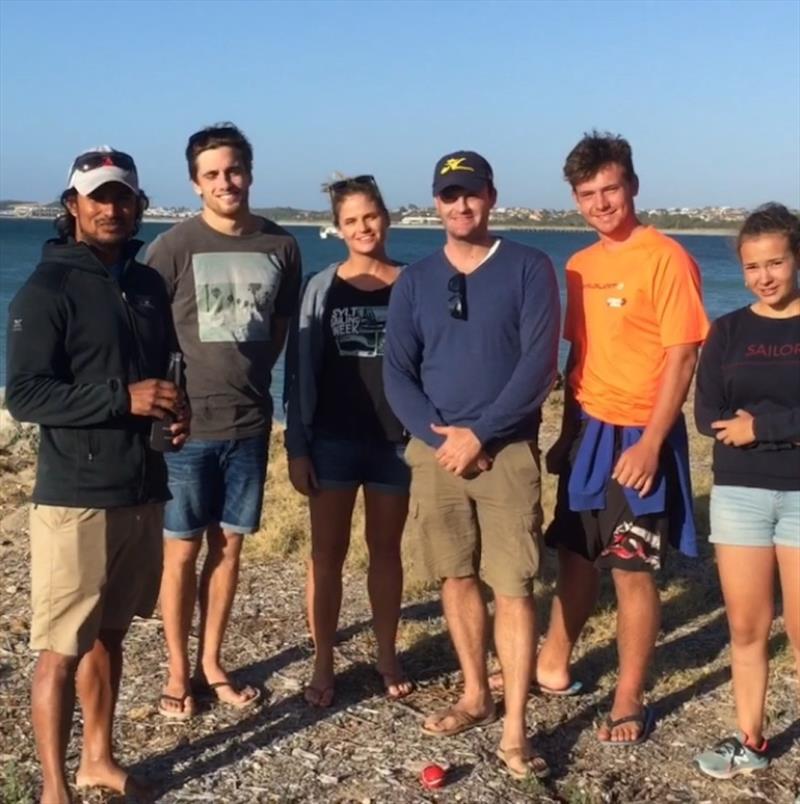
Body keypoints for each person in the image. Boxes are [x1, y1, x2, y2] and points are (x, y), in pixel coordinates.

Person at [5, 147, 188, 803]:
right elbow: (25, 395)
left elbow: (163, 369)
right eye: (98, 196)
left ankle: (98, 759)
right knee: (61, 650)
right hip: (75, 498)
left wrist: (176, 406)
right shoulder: (46, 288)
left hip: (140, 487)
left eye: (122, 197)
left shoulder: (145, 285)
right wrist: (123, 397)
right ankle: (55, 787)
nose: (111, 208)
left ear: (137, 205)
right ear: (73, 206)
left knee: (110, 636)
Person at [384, 150, 560, 780]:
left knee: (513, 585)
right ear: (436, 203)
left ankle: (515, 726)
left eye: (472, 193)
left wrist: (481, 432)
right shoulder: (416, 280)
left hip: (506, 452)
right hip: (436, 454)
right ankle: (474, 692)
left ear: (492, 196)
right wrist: (441, 439)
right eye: (449, 195)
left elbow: (538, 366)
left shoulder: (529, 268)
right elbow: (397, 372)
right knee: (455, 576)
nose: (461, 205)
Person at [539, 131, 709, 745]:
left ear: (632, 185)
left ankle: (629, 697)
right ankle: (552, 663)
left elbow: (683, 356)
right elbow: (578, 352)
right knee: (576, 554)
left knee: (631, 568)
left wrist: (651, 442)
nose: (602, 203)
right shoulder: (580, 265)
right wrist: (564, 433)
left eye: (611, 188)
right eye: (588, 194)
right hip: (588, 427)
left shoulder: (666, 257)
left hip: (641, 430)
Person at [145, 123, 302, 718]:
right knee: (181, 551)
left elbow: (279, 331)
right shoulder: (173, 247)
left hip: (250, 424)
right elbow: (146, 330)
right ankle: (177, 670)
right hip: (187, 429)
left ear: (250, 172)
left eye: (233, 170)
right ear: (195, 183)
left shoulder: (281, 246)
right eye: (211, 174)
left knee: (229, 549)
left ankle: (212, 661)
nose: (224, 182)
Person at [284, 175, 412, 707]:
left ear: (386, 216)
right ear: (337, 229)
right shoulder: (321, 285)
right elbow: (298, 369)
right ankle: (323, 661)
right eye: (351, 221)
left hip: (395, 442)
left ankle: (386, 654)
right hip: (331, 439)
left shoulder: (412, 282)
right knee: (325, 556)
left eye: (370, 216)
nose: (363, 228)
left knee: (385, 552)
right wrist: (297, 445)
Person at [693, 203, 800, 778]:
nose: (764, 276)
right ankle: (752, 740)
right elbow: (706, 413)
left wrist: (762, 428)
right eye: (753, 265)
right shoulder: (728, 329)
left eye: (775, 262)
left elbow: (741, 425)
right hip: (739, 495)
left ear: (796, 259)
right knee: (746, 627)